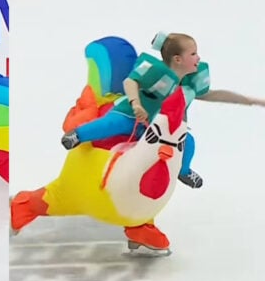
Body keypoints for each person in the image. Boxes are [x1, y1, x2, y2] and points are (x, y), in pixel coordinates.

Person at [62, 31, 265, 188]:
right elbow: (130, 81)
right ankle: (77, 135)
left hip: (157, 127)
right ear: (178, 59)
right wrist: (136, 104)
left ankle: (183, 171)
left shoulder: (190, 84)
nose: (198, 58)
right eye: (193, 54)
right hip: (131, 115)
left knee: (188, 142)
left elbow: (213, 94)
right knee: (111, 124)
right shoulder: (155, 72)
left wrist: (251, 100)